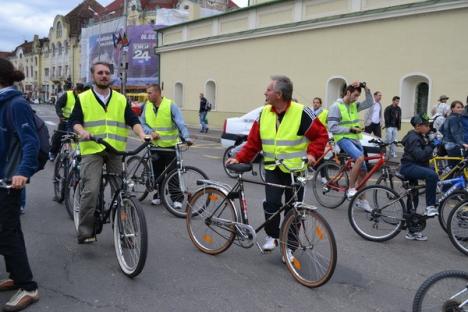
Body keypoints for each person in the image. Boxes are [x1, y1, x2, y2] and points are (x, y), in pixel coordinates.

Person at [226, 75, 328, 254]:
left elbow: (320, 135)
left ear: (279, 94)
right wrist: (240, 158)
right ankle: (273, 236)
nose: (265, 92)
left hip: (296, 170)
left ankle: (289, 247)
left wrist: (313, 154)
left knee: (294, 210)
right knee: (272, 204)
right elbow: (253, 143)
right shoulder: (264, 113)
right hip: (273, 168)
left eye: (268, 90)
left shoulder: (301, 112)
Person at [70, 62, 148, 244]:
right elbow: (74, 121)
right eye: (100, 73)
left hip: (115, 150)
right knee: (91, 190)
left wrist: (143, 134)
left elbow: (132, 120)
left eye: (106, 73)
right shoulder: (84, 98)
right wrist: (82, 132)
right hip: (92, 149)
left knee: (122, 191)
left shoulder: (121, 99)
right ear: (93, 76)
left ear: (110, 76)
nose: (104, 75)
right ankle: (86, 231)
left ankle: (125, 233)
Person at [0, 58, 40, 311]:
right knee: (9, 231)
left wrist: (22, 172)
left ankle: (28, 287)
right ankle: (16, 276)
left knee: (6, 233)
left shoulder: (15, 104)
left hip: (9, 182)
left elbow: (30, 142)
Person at [139, 84, 192, 206]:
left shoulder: (170, 105)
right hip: (155, 146)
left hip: (170, 146)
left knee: (173, 173)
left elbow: (180, 123)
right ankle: (159, 195)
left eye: (150, 93)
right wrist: (150, 132)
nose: (148, 95)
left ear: (158, 93)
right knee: (157, 173)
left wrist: (187, 137)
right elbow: (142, 123)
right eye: (147, 93)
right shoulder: (147, 106)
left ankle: (177, 199)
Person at [328, 82, 373, 200]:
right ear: (348, 92)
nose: (356, 98)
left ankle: (362, 200)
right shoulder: (336, 106)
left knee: (363, 171)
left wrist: (365, 87)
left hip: (355, 139)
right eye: (355, 95)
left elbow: (369, 102)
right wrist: (350, 129)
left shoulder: (354, 105)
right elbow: (332, 127)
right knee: (360, 158)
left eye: (358, 96)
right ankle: (351, 189)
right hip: (342, 138)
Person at [400, 113, 440, 240]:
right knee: (432, 176)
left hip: (414, 166)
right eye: (426, 125)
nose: (429, 127)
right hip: (409, 167)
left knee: (413, 197)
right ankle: (430, 206)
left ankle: (412, 231)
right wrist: (432, 145)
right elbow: (420, 155)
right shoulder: (413, 138)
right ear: (418, 126)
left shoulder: (419, 136)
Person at [49, 83, 85, 161]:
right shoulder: (68, 95)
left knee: (77, 138)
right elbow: (58, 104)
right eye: (78, 91)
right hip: (65, 119)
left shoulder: (84, 97)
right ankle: (53, 153)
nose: (79, 93)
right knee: (59, 136)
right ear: (75, 90)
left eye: (81, 92)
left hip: (77, 121)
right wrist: (60, 115)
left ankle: (77, 155)